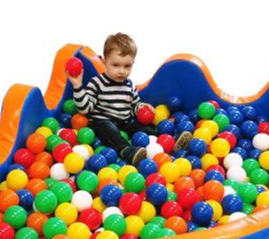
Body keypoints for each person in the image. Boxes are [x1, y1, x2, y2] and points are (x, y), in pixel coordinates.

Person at [68, 33, 192, 166]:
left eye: (127, 66)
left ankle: (172, 141)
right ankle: (126, 151)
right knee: (107, 127)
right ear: (104, 62)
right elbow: (85, 109)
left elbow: (133, 106)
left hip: (124, 123)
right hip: (102, 124)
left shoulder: (129, 85)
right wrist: (77, 86)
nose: (121, 71)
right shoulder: (97, 83)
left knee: (145, 128)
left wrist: (141, 107)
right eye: (115, 65)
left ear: (133, 64)